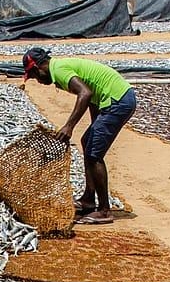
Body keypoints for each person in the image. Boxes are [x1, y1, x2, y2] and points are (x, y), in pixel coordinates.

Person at [21, 47, 136, 225]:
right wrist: (94, 126)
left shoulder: (58, 70)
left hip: (118, 101)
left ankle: (105, 211)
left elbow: (85, 93)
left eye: (35, 76)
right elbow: (92, 94)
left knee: (94, 154)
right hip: (115, 99)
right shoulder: (59, 66)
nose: (38, 80)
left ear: (38, 68)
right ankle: (88, 200)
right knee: (88, 142)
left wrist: (69, 126)